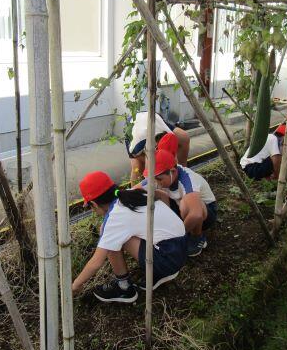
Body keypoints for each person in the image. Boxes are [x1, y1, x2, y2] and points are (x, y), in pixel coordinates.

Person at [72, 171, 187, 303]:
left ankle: (124, 287)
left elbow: (96, 262)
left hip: (168, 259)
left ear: (94, 204)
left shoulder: (116, 217)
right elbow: (163, 195)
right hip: (181, 247)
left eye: (90, 207)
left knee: (108, 235)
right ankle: (160, 272)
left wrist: (75, 285)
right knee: (111, 233)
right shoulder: (131, 193)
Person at [139, 149, 217, 257]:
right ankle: (179, 229)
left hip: (206, 213)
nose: (156, 182)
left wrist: (176, 236)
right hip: (181, 206)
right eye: (153, 179)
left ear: (173, 171)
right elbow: (136, 189)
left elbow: (196, 214)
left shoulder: (188, 180)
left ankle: (197, 237)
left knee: (186, 205)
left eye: (159, 179)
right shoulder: (160, 177)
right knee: (155, 193)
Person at [126, 111, 190, 185]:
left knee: (184, 137)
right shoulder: (137, 148)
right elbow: (140, 159)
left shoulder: (171, 137)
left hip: (154, 120)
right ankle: (134, 191)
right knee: (137, 167)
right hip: (134, 124)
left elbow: (172, 156)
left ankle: (182, 174)